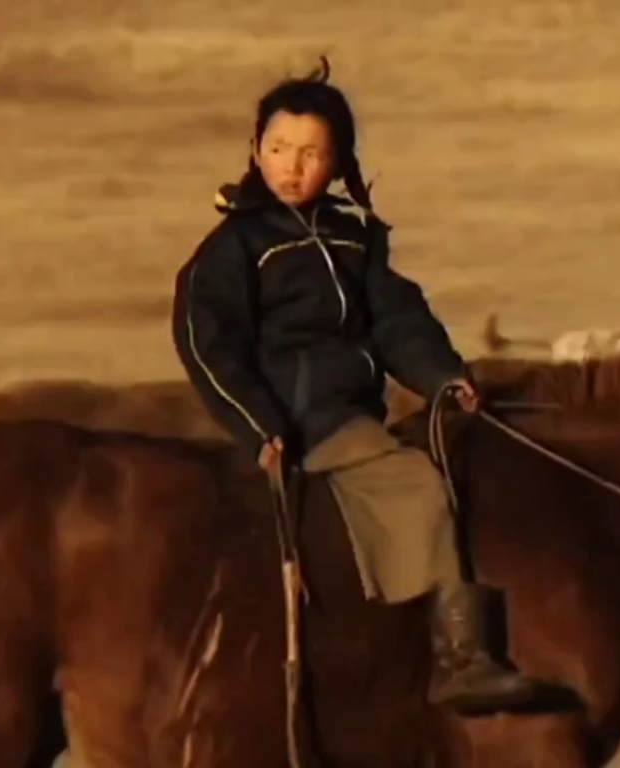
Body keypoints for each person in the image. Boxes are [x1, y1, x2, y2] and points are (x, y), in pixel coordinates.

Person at [170, 59, 565, 713]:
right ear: (254, 151)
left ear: (337, 161)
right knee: (414, 486)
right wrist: (261, 422)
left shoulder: (353, 237)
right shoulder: (235, 248)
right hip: (306, 416)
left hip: (354, 408)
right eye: (277, 149)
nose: (291, 166)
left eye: (310, 153)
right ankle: (460, 661)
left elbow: (396, 319)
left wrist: (442, 376)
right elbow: (207, 343)